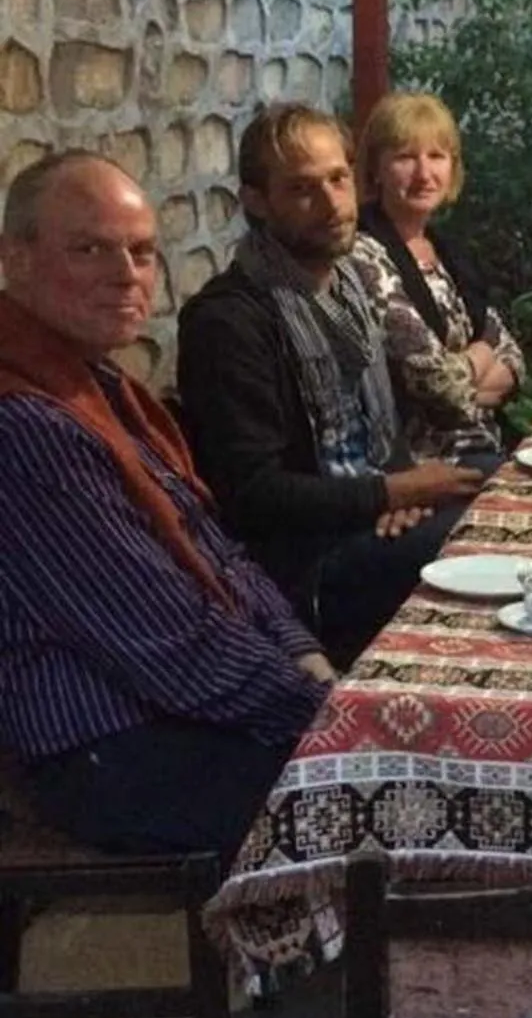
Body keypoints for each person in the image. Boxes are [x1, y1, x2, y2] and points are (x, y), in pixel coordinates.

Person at [0, 152, 332, 867]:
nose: (127, 273)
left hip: (172, 714)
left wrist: (308, 658)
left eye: (142, 251)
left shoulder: (95, 385)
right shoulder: (27, 425)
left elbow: (221, 554)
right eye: (90, 249)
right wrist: (335, 720)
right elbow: (174, 649)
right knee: (387, 798)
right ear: (16, 260)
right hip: (108, 752)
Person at [177, 105, 486, 672]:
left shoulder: (346, 286)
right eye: (301, 189)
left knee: (506, 491)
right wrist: (388, 494)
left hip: (368, 519)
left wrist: (397, 493)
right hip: (311, 569)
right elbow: (254, 495)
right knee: (490, 536)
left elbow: (382, 429)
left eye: (338, 179)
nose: (331, 204)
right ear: (255, 202)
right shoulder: (229, 321)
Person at [350, 92, 523, 467]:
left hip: (486, 446)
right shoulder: (363, 254)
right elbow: (439, 385)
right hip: (426, 468)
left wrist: (467, 377)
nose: (424, 174)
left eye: (436, 156)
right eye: (405, 157)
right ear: (375, 169)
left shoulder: (447, 251)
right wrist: (483, 352)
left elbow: (515, 359)